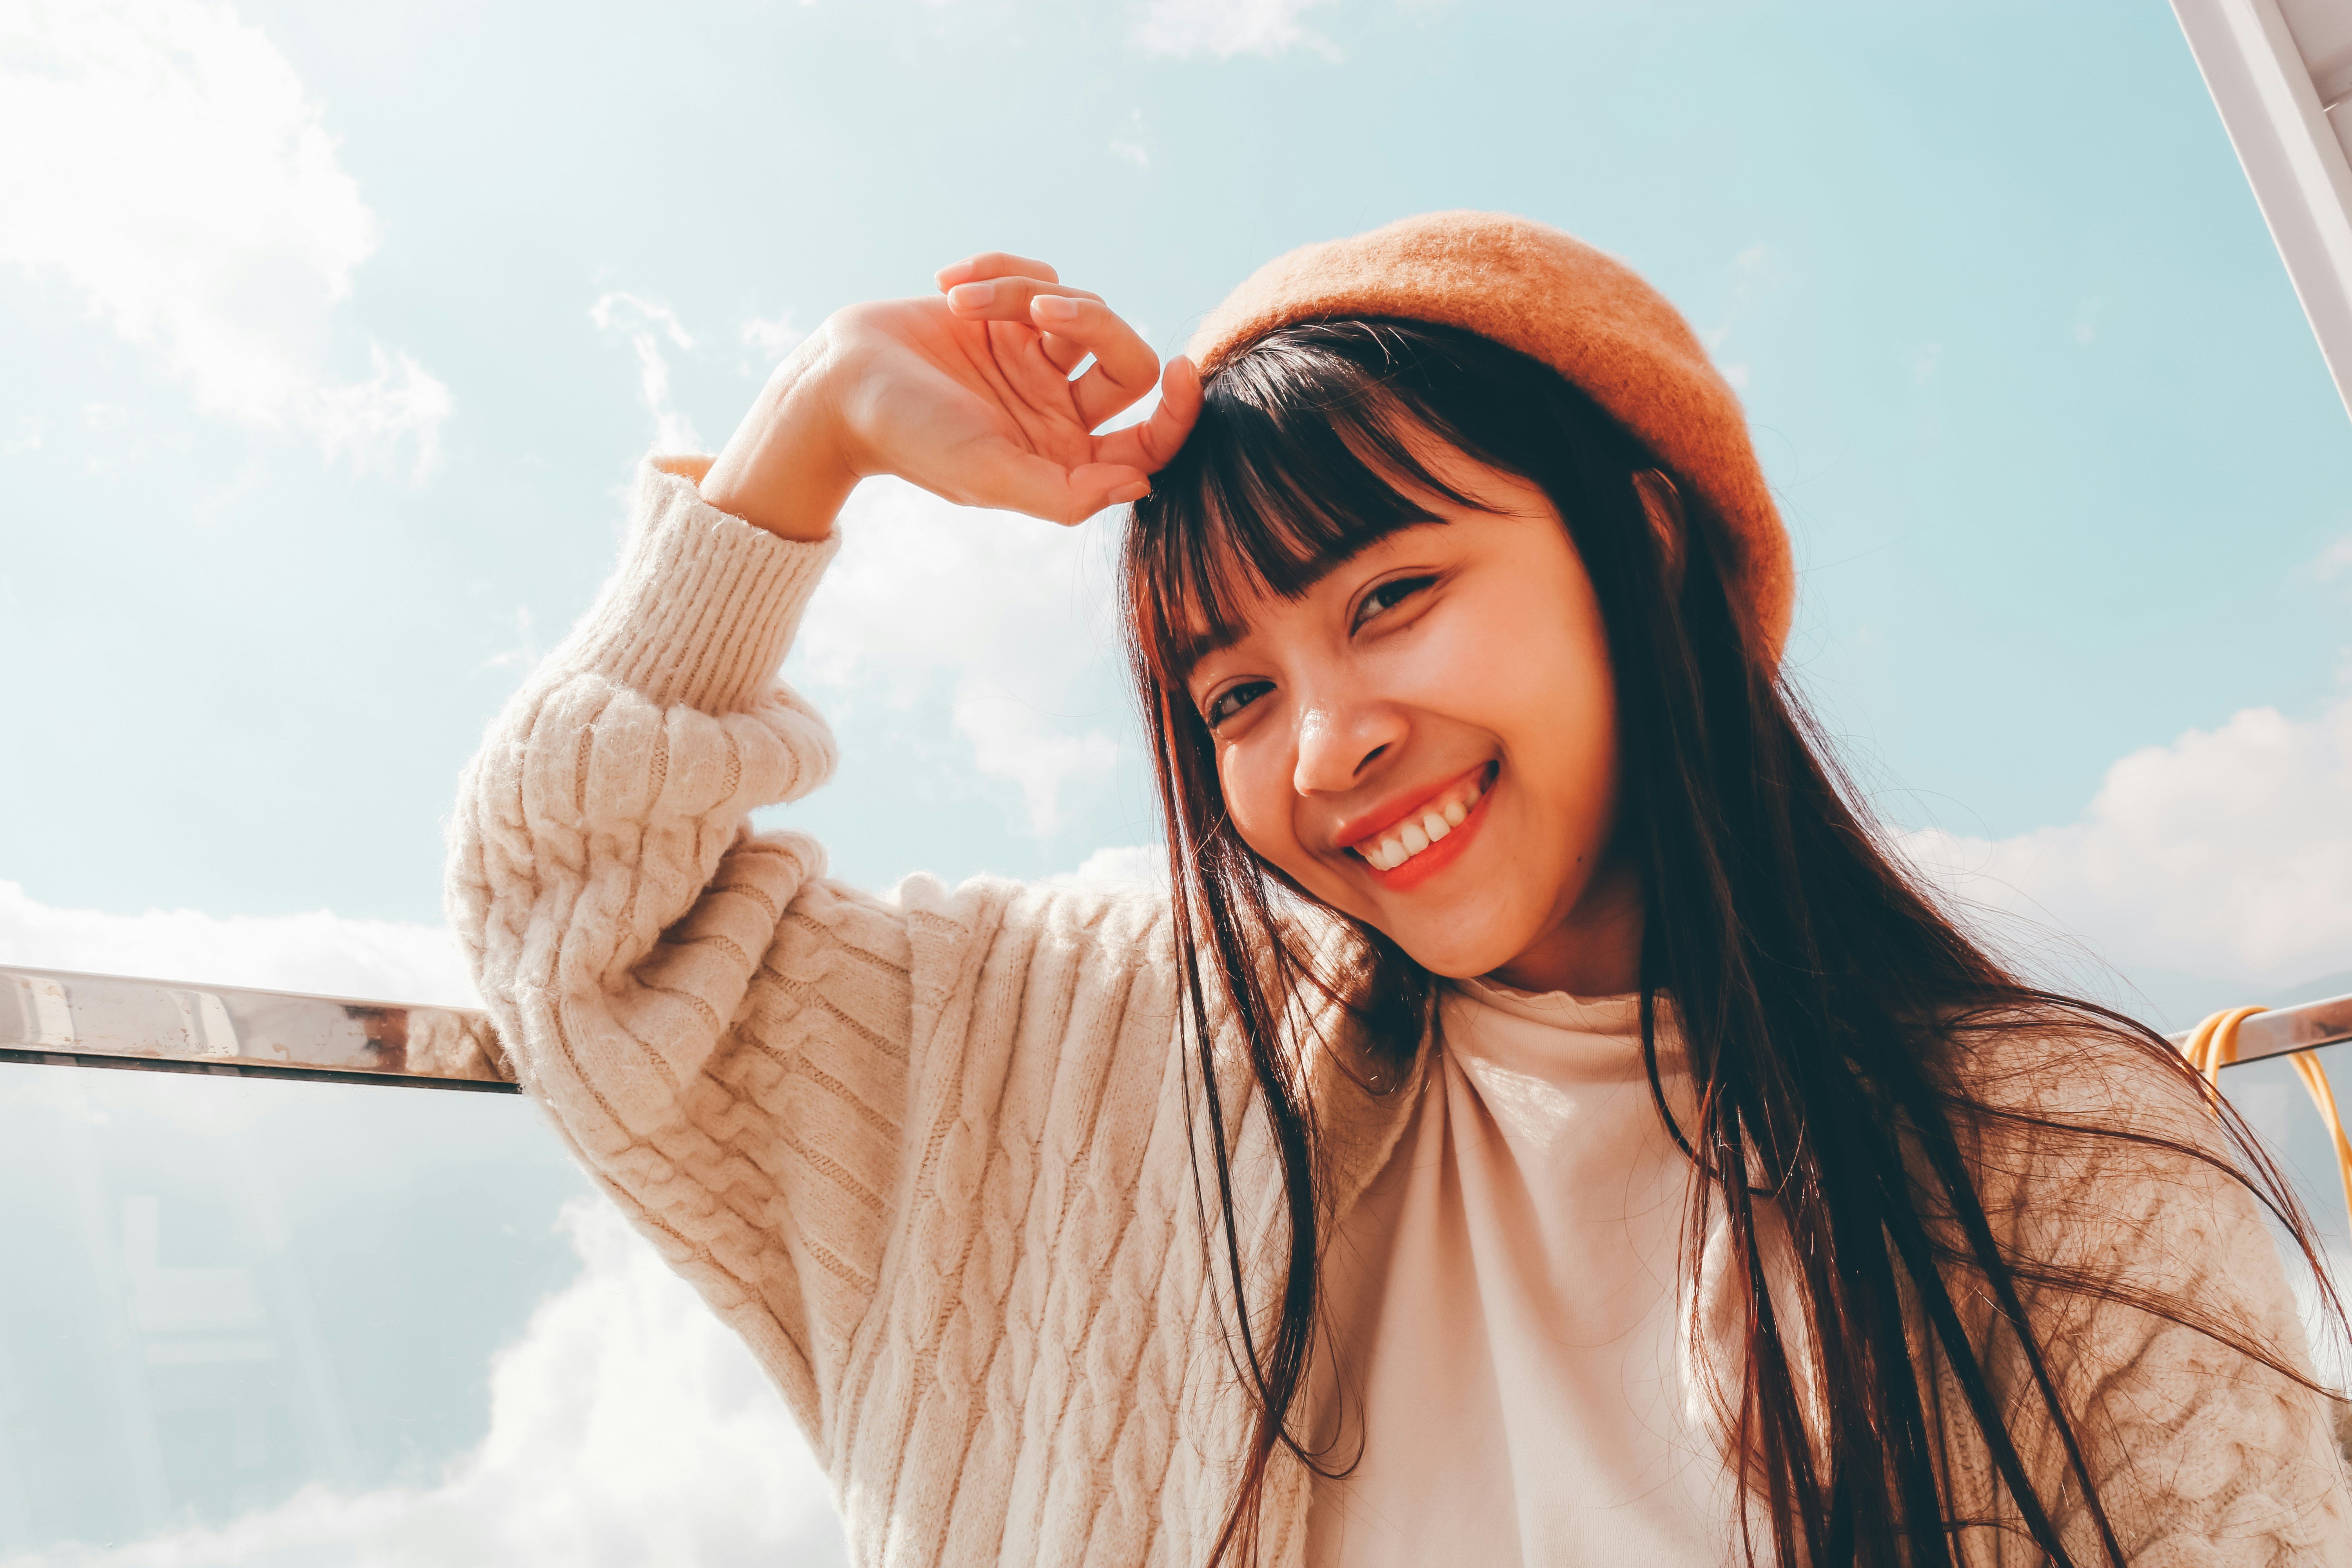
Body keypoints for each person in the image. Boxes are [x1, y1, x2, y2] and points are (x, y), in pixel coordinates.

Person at [446, 211, 2352, 1566]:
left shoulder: (2058, 1154)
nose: (1325, 742)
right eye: (1236, 692)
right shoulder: (1106, 1046)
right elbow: (590, 933)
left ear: (1645, 543)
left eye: (1392, 596)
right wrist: (815, 427)